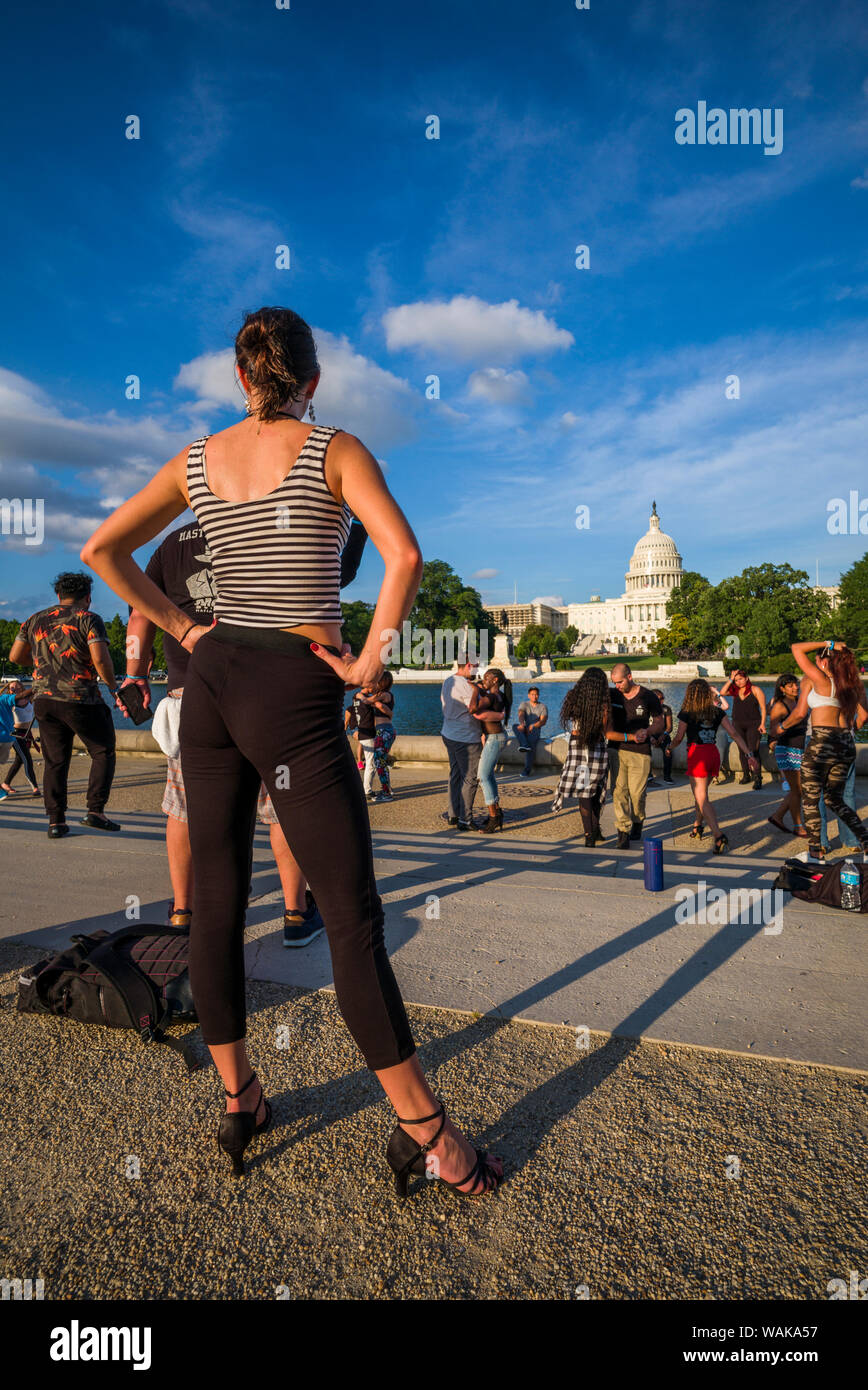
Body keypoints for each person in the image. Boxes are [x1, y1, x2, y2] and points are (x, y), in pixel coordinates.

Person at [81, 305, 502, 1196]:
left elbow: (102, 549)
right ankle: (427, 1131)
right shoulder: (335, 449)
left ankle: (241, 1099)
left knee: (217, 900)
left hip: (214, 678)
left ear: (243, 379)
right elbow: (405, 555)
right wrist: (367, 665)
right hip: (294, 676)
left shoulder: (197, 460)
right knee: (350, 918)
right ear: (312, 380)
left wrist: (182, 627)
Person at [123, 518, 368, 946]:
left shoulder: (172, 542)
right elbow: (330, 581)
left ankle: (185, 911)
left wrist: (134, 674)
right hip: (274, 691)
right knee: (283, 808)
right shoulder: (269, 521)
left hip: (192, 692)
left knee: (184, 809)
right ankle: (295, 913)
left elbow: (140, 612)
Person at [8, 573, 120, 838]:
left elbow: (15, 656)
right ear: (88, 597)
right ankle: (95, 811)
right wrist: (114, 688)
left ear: (58, 596)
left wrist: (44, 665)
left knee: (55, 762)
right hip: (80, 698)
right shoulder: (89, 619)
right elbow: (101, 661)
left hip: (44, 700)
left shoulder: (34, 620)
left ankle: (56, 822)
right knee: (103, 752)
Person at [779, 641, 868, 862]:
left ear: (825, 660)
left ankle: (815, 851)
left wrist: (781, 728)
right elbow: (864, 717)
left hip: (821, 740)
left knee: (810, 798)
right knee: (835, 799)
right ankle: (865, 841)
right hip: (845, 742)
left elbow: (796, 648)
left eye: (819, 659)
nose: (816, 662)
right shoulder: (853, 684)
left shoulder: (817, 679)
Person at [670, 679, 760, 854]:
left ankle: (718, 836)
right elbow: (733, 733)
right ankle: (697, 825)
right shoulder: (717, 711)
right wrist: (749, 754)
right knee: (701, 794)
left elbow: (679, 737)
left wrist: (669, 747)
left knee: (701, 797)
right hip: (713, 753)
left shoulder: (687, 712)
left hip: (697, 754)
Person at [607, 663, 664, 849]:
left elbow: (659, 722)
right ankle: (622, 831)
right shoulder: (613, 694)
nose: (617, 686)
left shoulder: (648, 696)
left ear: (630, 677)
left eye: (620, 682)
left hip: (640, 751)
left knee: (637, 794)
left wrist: (647, 732)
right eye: (614, 683)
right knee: (619, 791)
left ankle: (638, 820)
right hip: (616, 748)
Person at [551, 667, 610, 846]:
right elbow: (605, 729)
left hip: (578, 746)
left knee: (584, 792)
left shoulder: (574, 697)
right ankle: (595, 828)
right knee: (597, 790)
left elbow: (570, 720)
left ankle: (589, 834)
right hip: (597, 747)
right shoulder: (603, 702)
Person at [441, 655, 484, 831]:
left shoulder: (448, 681)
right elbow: (475, 709)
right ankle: (465, 819)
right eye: (476, 667)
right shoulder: (467, 686)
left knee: (455, 775)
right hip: (466, 738)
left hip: (448, 734)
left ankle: (453, 814)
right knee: (469, 778)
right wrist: (478, 692)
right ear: (468, 665)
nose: (477, 670)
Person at [766, 674, 808, 838]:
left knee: (798, 790)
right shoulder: (780, 706)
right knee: (797, 790)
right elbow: (773, 730)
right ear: (782, 689)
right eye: (790, 686)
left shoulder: (799, 702)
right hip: (786, 750)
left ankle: (778, 816)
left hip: (800, 749)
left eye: (796, 684)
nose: (795, 688)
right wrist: (788, 723)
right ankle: (798, 826)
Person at [471, 667, 511, 833]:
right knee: (489, 777)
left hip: (495, 738)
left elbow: (472, 708)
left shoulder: (492, 696)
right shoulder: (498, 695)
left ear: (495, 680)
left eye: (486, 677)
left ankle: (494, 818)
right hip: (496, 737)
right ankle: (497, 812)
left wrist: (474, 690)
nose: (483, 680)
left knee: (483, 777)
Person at [719, 670, 766, 789]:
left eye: (740, 679)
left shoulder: (755, 690)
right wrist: (730, 679)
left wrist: (763, 724)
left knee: (753, 750)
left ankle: (757, 778)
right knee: (742, 751)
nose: (738, 682)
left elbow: (763, 708)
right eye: (736, 680)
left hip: (753, 724)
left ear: (746, 678)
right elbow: (722, 692)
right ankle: (746, 775)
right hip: (738, 724)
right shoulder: (735, 691)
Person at [355, 671, 396, 801]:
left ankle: (386, 794)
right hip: (385, 731)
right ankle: (387, 790)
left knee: (379, 762)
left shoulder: (383, 695)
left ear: (381, 682)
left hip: (383, 732)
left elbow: (366, 700)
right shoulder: (386, 695)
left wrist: (359, 695)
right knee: (381, 762)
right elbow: (376, 704)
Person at [0, 680, 40, 796]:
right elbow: (21, 700)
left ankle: (6, 783)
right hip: (16, 734)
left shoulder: (29, 700)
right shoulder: (11, 701)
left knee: (19, 760)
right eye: (11, 688)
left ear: (21, 687)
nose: (14, 689)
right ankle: (35, 787)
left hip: (27, 733)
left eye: (16, 687)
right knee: (27, 759)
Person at [513, 686, 548, 777]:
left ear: (538, 695)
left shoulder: (542, 707)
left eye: (536, 694)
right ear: (529, 695)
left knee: (531, 743)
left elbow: (543, 721)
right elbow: (521, 714)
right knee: (515, 726)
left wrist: (533, 725)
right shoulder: (524, 704)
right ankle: (524, 744)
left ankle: (527, 770)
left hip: (535, 729)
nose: (534, 696)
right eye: (532, 694)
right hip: (525, 727)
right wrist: (522, 724)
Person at [648, 688, 673, 785]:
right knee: (645, 750)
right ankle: (649, 776)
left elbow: (669, 727)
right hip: (649, 734)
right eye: (659, 699)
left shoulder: (666, 709)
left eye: (662, 698)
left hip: (664, 734)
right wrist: (650, 737)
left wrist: (663, 735)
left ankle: (667, 775)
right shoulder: (647, 708)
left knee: (668, 751)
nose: (662, 701)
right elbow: (643, 725)